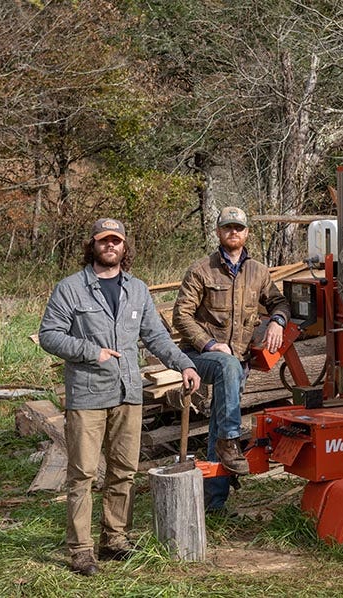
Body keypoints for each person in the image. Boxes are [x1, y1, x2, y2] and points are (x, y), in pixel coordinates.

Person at [39, 218, 201, 577]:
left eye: (116, 241)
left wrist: (184, 365)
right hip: (87, 394)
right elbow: (49, 334)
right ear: (93, 245)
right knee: (82, 473)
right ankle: (81, 550)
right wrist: (89, 351)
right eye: (103, 241)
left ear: (124, 247)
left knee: (124, 471)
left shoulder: (137, 290)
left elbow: (157, 337)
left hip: (128, 392)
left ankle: (114, 539)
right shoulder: (70, 289)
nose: (110, 246)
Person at [172, 205, 290, 512]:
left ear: (247, 232)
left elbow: (279, 301)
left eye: (238, 228)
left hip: (237, 364)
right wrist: (209, 344)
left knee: (218, 421)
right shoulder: (201, 270)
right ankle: (230, 439)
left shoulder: (259, 272)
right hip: (199, 357)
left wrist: (277, 320)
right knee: (225, 383)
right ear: (218, 232)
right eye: (227, 228)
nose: (233, 232)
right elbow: (181, 315)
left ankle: (214, 503)